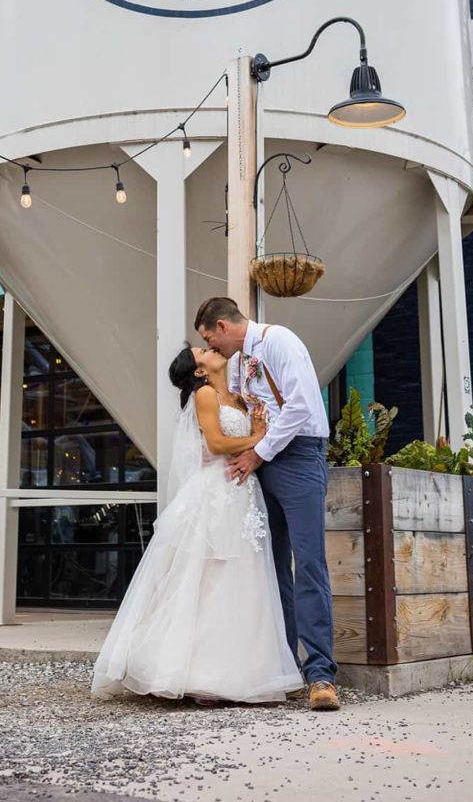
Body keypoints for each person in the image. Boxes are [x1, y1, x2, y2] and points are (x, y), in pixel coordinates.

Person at [91, 344, 303, 704]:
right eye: (203, 349)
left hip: (243, 492)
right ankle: (195, 672)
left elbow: (245, 439)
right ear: (200, 370)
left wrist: (258, 434)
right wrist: (260, 439)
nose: (211, 349)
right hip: (215, 493)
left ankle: (241, 671)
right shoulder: (205, 394)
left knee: (245, 579)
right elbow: (218, 443)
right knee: (209, 577)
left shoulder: (238, 396)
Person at [195, 296, 339, 711]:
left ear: (222, 326)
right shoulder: (239, 362)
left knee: (308, 563)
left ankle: (321, 676)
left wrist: (260, 452)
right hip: (260, 461)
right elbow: (249, 412)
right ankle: (286, 669)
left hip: (296, 457)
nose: (211, 348)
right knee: (271, 568)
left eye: (209, 338)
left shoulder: (280, 342)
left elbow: (301, 406)